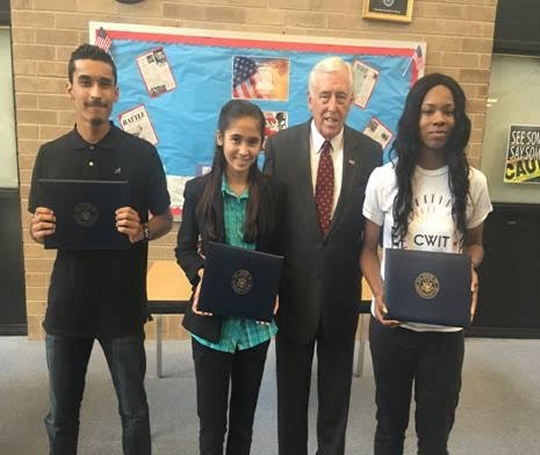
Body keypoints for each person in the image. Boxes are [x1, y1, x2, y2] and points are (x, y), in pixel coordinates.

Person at [28, 44, 173, 454]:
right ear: (69, 89)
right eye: (86, 82)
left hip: (121, 305)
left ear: (116, 93)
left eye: (104, 84)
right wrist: (38, 229)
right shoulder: (49, 155)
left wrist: (142, 229)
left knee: (134, 411)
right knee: (61, 415)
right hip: (67, 305)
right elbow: (38, 222)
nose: (96, 92)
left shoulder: (142, 155)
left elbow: (163, 219)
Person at [360, 73, 493, 454]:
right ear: (413, 119)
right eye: (429, 111)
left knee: (435, 434)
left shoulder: (473, 182)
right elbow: (367, 248)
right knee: (388, 427)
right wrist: (380, 292)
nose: (439, 119)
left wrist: (469, 268)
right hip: (393, 326)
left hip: (445, 331)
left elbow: (477, 245)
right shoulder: (384, 179)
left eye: (448, 112)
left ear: (458, 120)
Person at [263, 56, 383, 455]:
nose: (333, 106)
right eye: (325, 96)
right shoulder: (279, 147)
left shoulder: (369, 153)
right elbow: (269, 225)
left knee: (336, 399)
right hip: (292, 296)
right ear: (310, 99)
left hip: (339, 297)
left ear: (352, 102)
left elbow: (371, 229)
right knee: (291, 398)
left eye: (342, 97)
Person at [175, 99, 283, 455]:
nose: (244, 149)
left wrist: (276, 286)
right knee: (211, 422)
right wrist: (202, 273)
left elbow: (280, 252)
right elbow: (185, 249)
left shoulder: (271, 193)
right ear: (220, 138)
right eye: (236, 139)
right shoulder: (197, 191)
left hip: (254, 327)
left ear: (262, 144)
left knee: (243, 421)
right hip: (211, 326)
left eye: (252, 141)